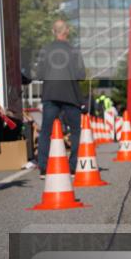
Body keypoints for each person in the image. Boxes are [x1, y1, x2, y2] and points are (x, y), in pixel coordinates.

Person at [34, 19, 85, 176]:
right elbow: (81, 75)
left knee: (46, 131)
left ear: (53, 32)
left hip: (50, 94)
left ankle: (43, 167)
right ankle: (72, 166)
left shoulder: (45, 50)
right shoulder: (74, 51)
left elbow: (39, 74)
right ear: (67, 31)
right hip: (71, 95)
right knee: (76, 131)